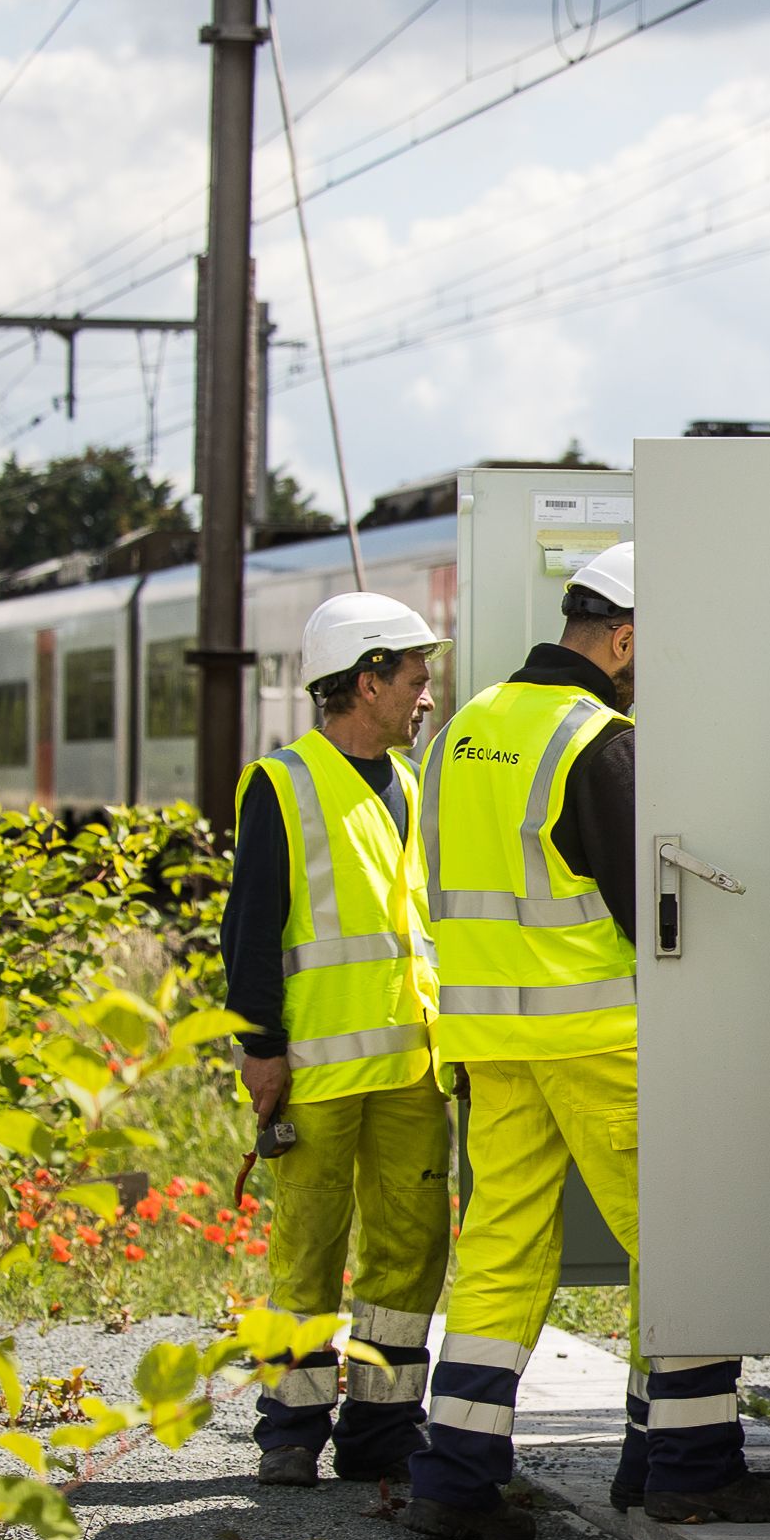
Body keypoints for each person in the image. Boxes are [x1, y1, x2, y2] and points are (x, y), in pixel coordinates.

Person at [406, 540, 770, 1540]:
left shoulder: (461, 730)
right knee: (683, 1240)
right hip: (598, 1041)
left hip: (490, 1039)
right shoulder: (596, 740)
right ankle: (690, 1467)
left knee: (500, 1251)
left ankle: (453, 1478)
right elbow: (652, 909)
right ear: (622, 638)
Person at [227, 591, 452, 1490]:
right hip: (316, 1069)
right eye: (415, 678)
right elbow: (250, 928)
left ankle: (382, 1427)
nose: (426, 695)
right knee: (308, 1250)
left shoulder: (412, 783)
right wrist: (260, 1046)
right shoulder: (282, 783)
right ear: (367, 681)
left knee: (411, 1247)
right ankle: (291, 1428)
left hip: (411, 1067)